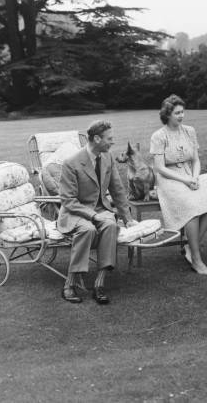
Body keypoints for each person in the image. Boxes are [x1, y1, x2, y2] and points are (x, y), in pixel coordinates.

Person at [57, 120, 137, 304]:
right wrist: (93, 216)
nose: (113, 142)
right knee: (88, 229)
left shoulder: (107, 157)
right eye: (110, 138)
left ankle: (99, 284)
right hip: (74, 213)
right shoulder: (71, 163)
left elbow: (117, 190)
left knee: (110, 225)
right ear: (96, 138)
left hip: (101, 210)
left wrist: (128, 218)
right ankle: (69, 284)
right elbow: (68, 200)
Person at [150, 94, 207, 275]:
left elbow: (196, 160)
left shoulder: (190, 131)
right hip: (169, 179)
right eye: (177, 113)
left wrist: (195, 177)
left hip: (190, 175)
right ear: (167, 115)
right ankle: (197, 260)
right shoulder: (158, 136)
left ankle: (190, 246)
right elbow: (159, 168)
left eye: (182, 112)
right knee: (191, 208)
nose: (181, 116)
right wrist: (185, 180)